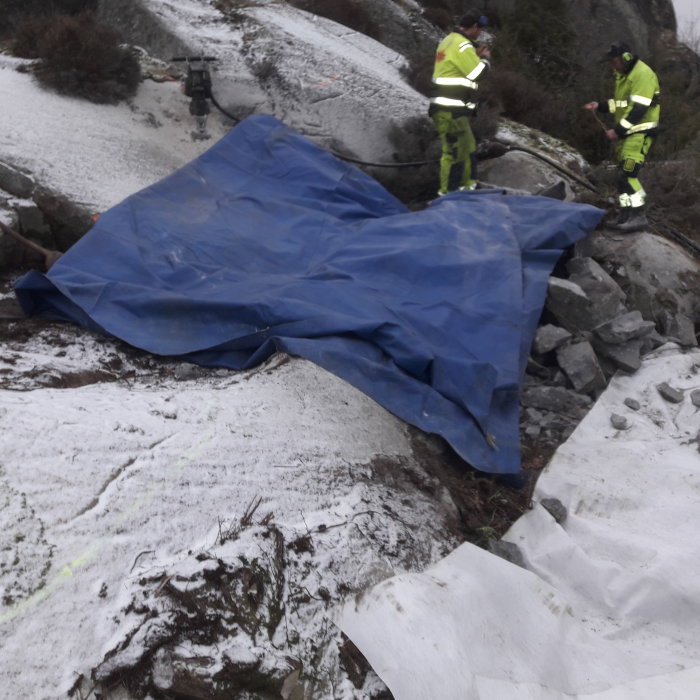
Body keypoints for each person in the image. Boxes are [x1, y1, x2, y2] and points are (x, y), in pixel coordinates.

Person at [584, 42, 660, 233]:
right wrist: (599, 106)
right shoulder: (625, 76)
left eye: (613, 61)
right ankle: (625, 215)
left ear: (625, 57)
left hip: (640, 133)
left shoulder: (642, 75)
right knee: (621, 178)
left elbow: (639, 110)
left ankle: (639, 215)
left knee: (629, 175)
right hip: (630, 134)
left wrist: (617, 131)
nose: (611, 66)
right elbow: (623, 104)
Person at [429, 11, 491, 196]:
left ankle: (466, 190)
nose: (480, 34)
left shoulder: (449, 40)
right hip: (451, 110)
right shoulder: (463, 44)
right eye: (480, 30)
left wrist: (474, 54)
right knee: (455, 153)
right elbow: (476, 74)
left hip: (450, 109)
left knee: (467, 148)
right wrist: (486, 59)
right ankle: (448, 196)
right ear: (474, 27)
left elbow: (458, 66)